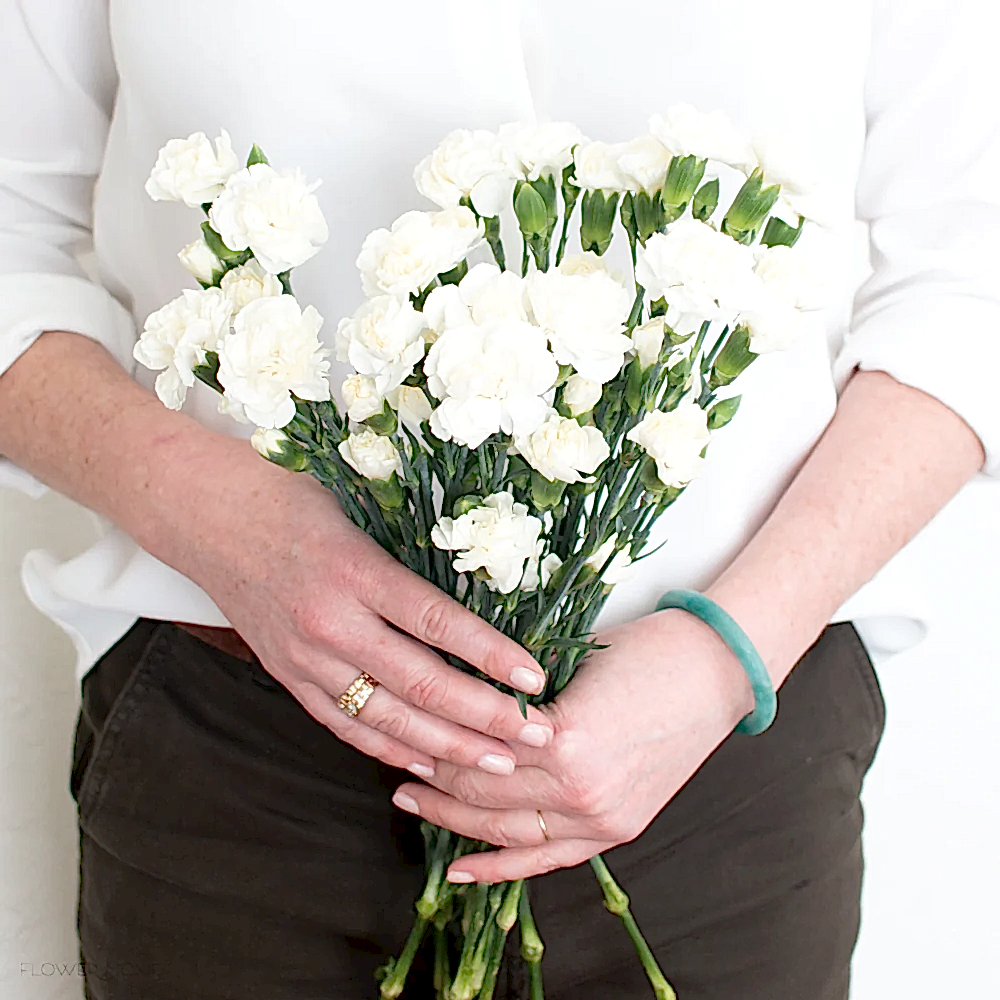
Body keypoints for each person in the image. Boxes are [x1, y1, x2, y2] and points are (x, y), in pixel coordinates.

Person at [0, 2, 996, 998]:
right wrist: (220, 515)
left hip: (720, 766)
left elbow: (967, 276)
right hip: (246, 754)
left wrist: (724, 652)